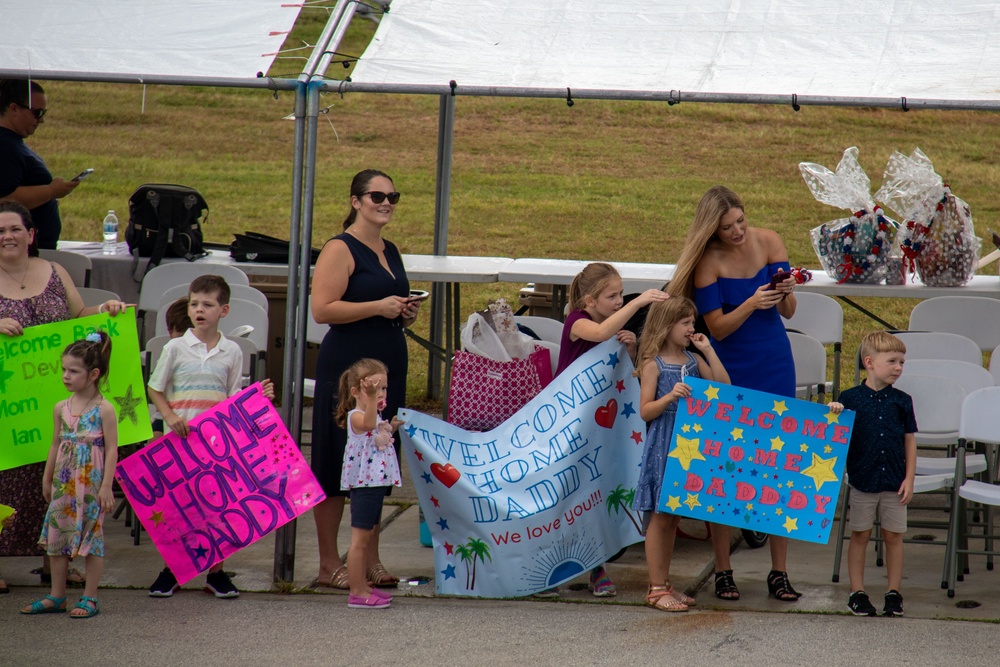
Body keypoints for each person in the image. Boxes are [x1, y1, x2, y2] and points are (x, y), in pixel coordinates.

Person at [668, 185, 801, 602]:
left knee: (781, 465)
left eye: (741, 221)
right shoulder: (708, 261)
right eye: (727, 227)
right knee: (722, 469)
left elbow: (789, 311)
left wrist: (784, 291)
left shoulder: (771, 240)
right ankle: (723, 570)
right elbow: (717, 328)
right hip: (727, 368)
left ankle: (778, 571)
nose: (738, 231)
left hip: (775, 360)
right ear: (713, 230)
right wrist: (752, 302)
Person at [0, 201, 127, 587]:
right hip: (10, 405)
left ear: (31, 234)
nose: (7, 237)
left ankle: (54, 561)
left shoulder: (55, 272)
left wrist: (105, 310)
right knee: (6, 477)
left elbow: (79, 315)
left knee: (56, 478)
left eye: (14, 229)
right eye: (0, 231)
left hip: (59, 395)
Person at [309, 169, 421, 590]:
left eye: (393, 195)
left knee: (377, 461)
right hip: (349, 371)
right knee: (337, 462)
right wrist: (378, 306)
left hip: (385, 365)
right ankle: (326, 563)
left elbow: (382, 303)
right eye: (377, 195)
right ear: (356, 200)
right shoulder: (341, 248)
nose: (386, 201)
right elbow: (323, 310)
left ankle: (370, 558)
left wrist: (403, 311)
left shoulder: (389, 248)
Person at [542, 262, 669, 598]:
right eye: (612, 296)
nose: (618, 300)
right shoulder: (577, 322)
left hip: (598, 431)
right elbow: (597, 335)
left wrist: (628, 348)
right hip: (567, 428)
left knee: (593, 497)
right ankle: (549, 566)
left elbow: (626, 375)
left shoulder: (613, 329)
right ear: (589, 301)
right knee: (564, 498)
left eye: (621, 294)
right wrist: (637, 303)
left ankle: (596, 566)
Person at [145, 275, 274, 598]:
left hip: (215, 445)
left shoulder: (232, 351)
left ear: (224, 310)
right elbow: (155, 388)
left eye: (207, 304)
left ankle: (215, 572)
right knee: (179, 509)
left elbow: (233, 399)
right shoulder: (174, 347)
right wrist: (171, 417)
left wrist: (258, 396)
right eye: (194, 304)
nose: (199, 310)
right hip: (180, 442)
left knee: (217, 508)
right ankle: (173, 569)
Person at [633, 297, 729, 611]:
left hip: (690, 447)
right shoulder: (653, 364)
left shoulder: (692, 360)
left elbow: (724, 388)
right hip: (665, 444)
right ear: (666, 326)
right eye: (685, 323)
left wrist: (708, 350)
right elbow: (646, 411)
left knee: (672, 516)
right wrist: (670, 397)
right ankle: (655, 588)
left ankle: (665, 584)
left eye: (692, 322)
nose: (691, 328)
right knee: (659, 519)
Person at [21, 332, 117, 617]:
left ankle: (90, 597)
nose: (65, 375)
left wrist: (107, 487)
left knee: (92, 535)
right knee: (57, 535)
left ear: (94, 374)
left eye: (73, 371)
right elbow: (55, 443)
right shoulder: (60, 407)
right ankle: (57, 595)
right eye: (64, 369)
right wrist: (47, 478)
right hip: (65, 482)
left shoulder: (105, 409)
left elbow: (111, 449)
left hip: (91, 482)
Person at [828, 332, 917, 617]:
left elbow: (909, 440)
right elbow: (834, 430)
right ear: (869, 362)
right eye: (892, 361)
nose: (898, 367)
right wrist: (835, 412)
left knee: (894, 536)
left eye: (902, 362)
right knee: (860, 536)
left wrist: (910, 478)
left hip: (894, 481)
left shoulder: (903, 400)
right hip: (862, 481)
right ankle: (857, 591)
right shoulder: (850, 398)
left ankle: (894, 592)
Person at [337, 358, 403, 609]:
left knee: (368, 536)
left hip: (375, 484)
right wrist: (373, 401)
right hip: (364, 485)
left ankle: (364, 586)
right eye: (373, 388)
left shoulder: (374, 416)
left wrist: (391, 428)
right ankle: (356, 592)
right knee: (359, 540)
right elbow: (366, 426)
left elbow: (377, 439)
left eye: (383, 388)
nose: (380, 393)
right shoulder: (357, 416)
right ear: (355, 392)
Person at [0, 79, 79, 249]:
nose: (41, 120)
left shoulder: (12, 142)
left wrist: (44, 199)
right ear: (13, 108)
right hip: (21, 253)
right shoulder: (4, 145)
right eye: (37, 113)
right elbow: (5, 199)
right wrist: (50, 191)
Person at [150, 297, 193, 440]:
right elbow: (155, 390)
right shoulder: (168, 356)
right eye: (180, 337)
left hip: (198, 418)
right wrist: (169, 416)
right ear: (170, 332)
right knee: (154, 443)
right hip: (166, 418)